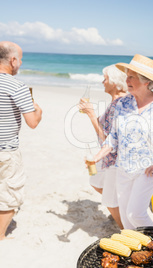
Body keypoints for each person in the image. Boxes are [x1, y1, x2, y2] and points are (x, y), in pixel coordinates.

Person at [90, 54, 153, 229]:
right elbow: (114, 137)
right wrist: (97, 156)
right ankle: (138, 252)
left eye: (132, 76)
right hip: (123, 168)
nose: (127, 80)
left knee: (136, 214)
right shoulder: (123, 103)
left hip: (149, 168)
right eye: (127, 75)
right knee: (126, 217)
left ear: (146, 81)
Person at [0, 41, 42, 240]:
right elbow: (32, 122)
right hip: (5, 150)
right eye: (21, 59)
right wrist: (39, 111)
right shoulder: (17, 87)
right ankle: (0, 235)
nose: (21, 63)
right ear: (13, 60)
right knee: (9, 195)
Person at [78, 64, 127, 229]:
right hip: (105, 155)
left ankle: (124, 229)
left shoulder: (120, 104)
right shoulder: (115, 101)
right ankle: (121, 211)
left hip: (113, 158)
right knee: (96, 182)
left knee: (110, 200)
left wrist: (92, 115)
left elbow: (109, 140)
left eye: (105, 79)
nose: (102, 82)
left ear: (114, 82)